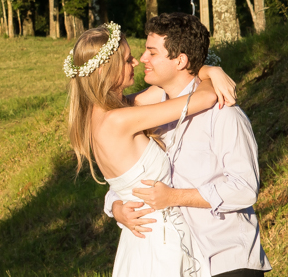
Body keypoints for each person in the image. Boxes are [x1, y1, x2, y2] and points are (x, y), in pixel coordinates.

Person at [105, 13, 271, 277]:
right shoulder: (152, 116)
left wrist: (174, 197)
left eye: (152, 53)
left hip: (226, 260)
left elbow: (244, 188)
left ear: (180, 61)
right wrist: (115, 206)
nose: (143, 58)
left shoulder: (223, 113)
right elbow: (132, 172)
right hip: (180, 263)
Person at [65, 21, 236, 277]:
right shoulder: (118, 120)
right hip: (160, 242)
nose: (136, 62)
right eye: (127, 60)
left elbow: (175, 81)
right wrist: (214, 72)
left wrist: (208, 69)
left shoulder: (105, 114)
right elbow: (204, 98)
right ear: (104, 70)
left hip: (141, 240)